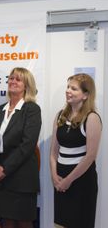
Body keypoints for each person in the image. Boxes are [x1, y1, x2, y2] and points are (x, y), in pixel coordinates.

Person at [0, 67, 41, 228]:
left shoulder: (31, 109)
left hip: (22, 177)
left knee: (24, 222)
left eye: (18, 79)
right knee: (7, 221)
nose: (13, 81)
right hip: (1, 178)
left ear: (27, 85)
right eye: (11, 78)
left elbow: (28, 145)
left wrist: (4, 169)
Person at [50, 73, 102, 228]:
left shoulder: (92, 118)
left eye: (73, 88)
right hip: (60, 179)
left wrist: (68, 180)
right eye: (68, 87)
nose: (68, 91)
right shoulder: (60, 116)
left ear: (85, 95)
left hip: (82, 182)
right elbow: (53, 151)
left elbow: (90, 156)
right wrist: (54, 176)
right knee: (61, 224)